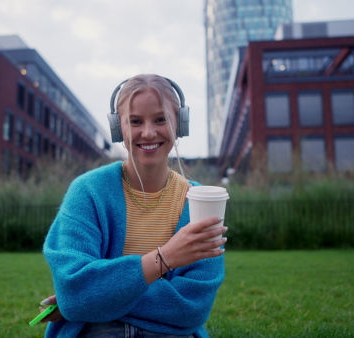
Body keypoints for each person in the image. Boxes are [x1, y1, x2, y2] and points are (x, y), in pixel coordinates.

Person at [39, 74, 227, 337]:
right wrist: (166, 258)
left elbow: (193, 308)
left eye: (161, 119)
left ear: (180, 124)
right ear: (119, 129)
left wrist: (97, 299)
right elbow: (75, 292)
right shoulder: (87, 192)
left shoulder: (200, 201)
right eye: (135, 121)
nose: (148, 132)